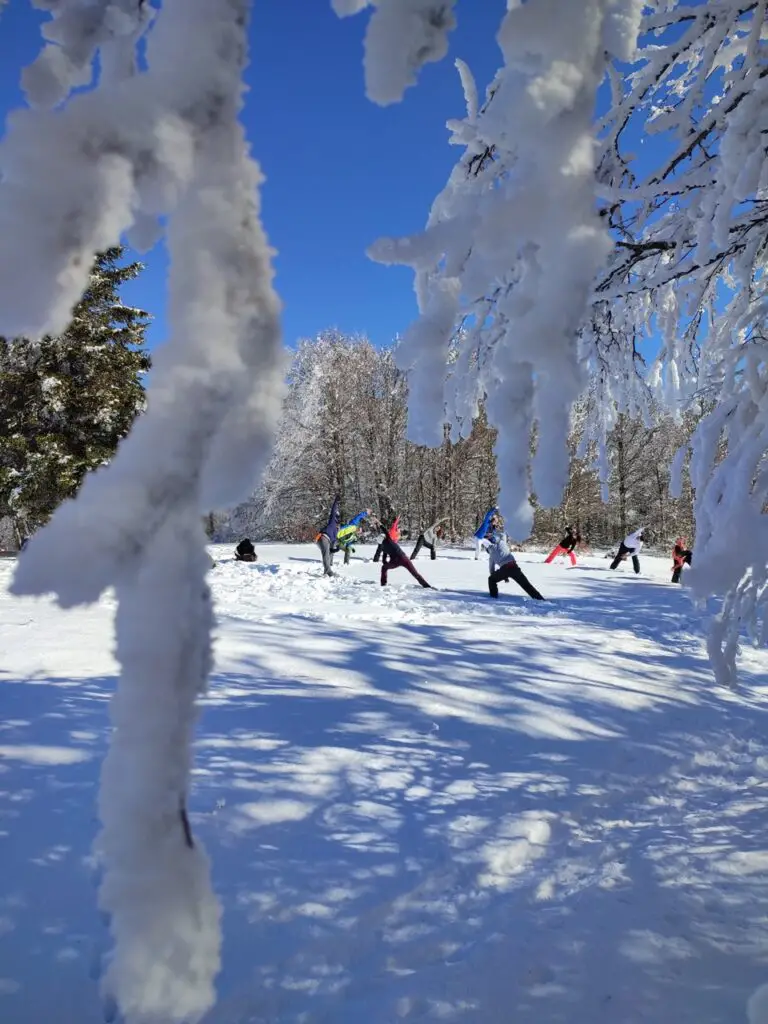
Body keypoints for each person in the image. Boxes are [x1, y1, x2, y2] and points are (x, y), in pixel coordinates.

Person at [487, 533, 544, 600]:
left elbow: (491, 570)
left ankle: (493, 597)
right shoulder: (501, 543)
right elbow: (503, 535)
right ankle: (539, 599)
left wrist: (501, 576)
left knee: (491, 579)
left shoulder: (491, 557)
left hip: (504, 570)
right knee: (526, 585)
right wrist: (493, 534)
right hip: (514, 567)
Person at [316, 495, 341, 577]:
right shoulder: (332, 522)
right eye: (338, 518)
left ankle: (328, 569)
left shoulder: (337, 531)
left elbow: (333, 541)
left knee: (329, 553)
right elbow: (333, 511)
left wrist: (335, 549)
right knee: (326, 554)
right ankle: (327, 571)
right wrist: (336, 501)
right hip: (322, 537)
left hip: (327, 540)